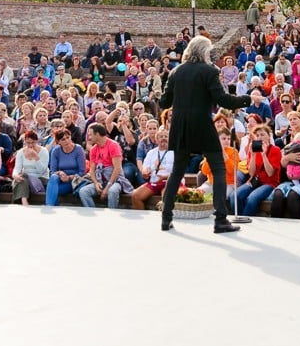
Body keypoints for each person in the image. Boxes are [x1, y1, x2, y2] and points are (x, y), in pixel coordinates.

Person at [157, 36, 252, 232]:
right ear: (203, 52)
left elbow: (164, 103)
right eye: (209, 52)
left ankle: (166, 218)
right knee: (218, 169)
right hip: (202, 125)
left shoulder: (176, 72)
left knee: (177, 171)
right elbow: (223, 100)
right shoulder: (209, 71)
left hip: (180, 127)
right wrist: (246, 99)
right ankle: (220, 220)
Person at [78, 123, 134, 209]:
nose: (89, 137)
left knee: (112, 191)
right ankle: (93, 213)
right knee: (83, 191)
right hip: (100, 181)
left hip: (115, 180)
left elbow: (117, 169)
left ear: (97, 134)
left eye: (90, 134)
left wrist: (107, 186)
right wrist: (96, 184)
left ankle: (111, 216)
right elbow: (92, 171)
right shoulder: (93, 149)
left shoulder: (113, 145)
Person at [131, 129, 173, 210]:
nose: (164, 138)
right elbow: (145, 168)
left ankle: (166, 220)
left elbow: (179, 171)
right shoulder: (151, 153)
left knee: (166, 197)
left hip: (170, 181)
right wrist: (145, 173)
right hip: (154, 182)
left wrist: (165, 177)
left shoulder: (175, 152)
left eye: (166, 136)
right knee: (135, 196)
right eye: (161, 137)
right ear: (156, 140)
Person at [12, 132, 50, 205]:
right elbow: (17, 168)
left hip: (41, 179)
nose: (30, 145)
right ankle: (24, 201)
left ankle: (22, 202)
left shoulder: (44, 151)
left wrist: (36, 158)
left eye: (33, 142)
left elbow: (42, 171)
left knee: (23, 176)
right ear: (25, 141)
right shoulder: (20, 152)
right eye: (28, 143)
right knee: (21, 178)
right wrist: (15, 175)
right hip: (26, 180)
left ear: (37, 141)